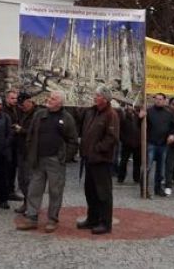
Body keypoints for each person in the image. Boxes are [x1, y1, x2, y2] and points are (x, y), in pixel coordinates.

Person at [16, 91, 78, 233]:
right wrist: (31, 151)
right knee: (34, 189)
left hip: (56, 160)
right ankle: (31, 217)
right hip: (38, 159)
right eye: (49, 97)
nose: (49, 99)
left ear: (60, 103)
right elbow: (30, 135)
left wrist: (64, 157)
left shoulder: (67, 118)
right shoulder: (39, 115)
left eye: (53, 98)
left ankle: (52, 219)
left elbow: (73, 141)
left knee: (55, 191)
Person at [77, 85, 120, 235]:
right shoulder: (91, 112)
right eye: (95, 95)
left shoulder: (111, 114)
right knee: (90, 191)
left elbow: (112, 138)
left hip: (101, 160)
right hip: (89, 159)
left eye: (98, 95)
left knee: (103, 193)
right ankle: (92, 219)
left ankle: (105, 223)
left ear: (105, 99)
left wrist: (97, 149)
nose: (94, 97)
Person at [142, 93, 174, 197]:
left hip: (163, 144)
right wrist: (140, 118)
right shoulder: (148, 112)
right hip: (151, 143)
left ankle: (158, 189)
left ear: (164, 101)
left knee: (160, 169)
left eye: (160, 99)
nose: (158, 101)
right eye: (156, 99)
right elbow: (140, 126)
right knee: (147, 167)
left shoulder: (168, 113)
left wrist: (173, 135)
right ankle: (144, 189)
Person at [12, 93, 38, 214]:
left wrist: (21, 130)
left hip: (30, 151)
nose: (22, 107)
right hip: (21, 149)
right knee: (21, 179)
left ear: (30, 101)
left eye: (23, 105)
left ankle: (31, 205)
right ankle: (26, 203)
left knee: (29, 179)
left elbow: (36, 133)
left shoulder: (37, 114)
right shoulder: (22, 113)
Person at [117, 104, 141, 184]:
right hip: (127, 143)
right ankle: (121, 177)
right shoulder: (123, 117)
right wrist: (123, 139)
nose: (131, 108)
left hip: (137, 143)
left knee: (137, 162)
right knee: (123, 161)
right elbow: (120, 130)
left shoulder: (138, 117)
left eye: (132, 106)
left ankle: (136, 178)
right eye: (129, 106)